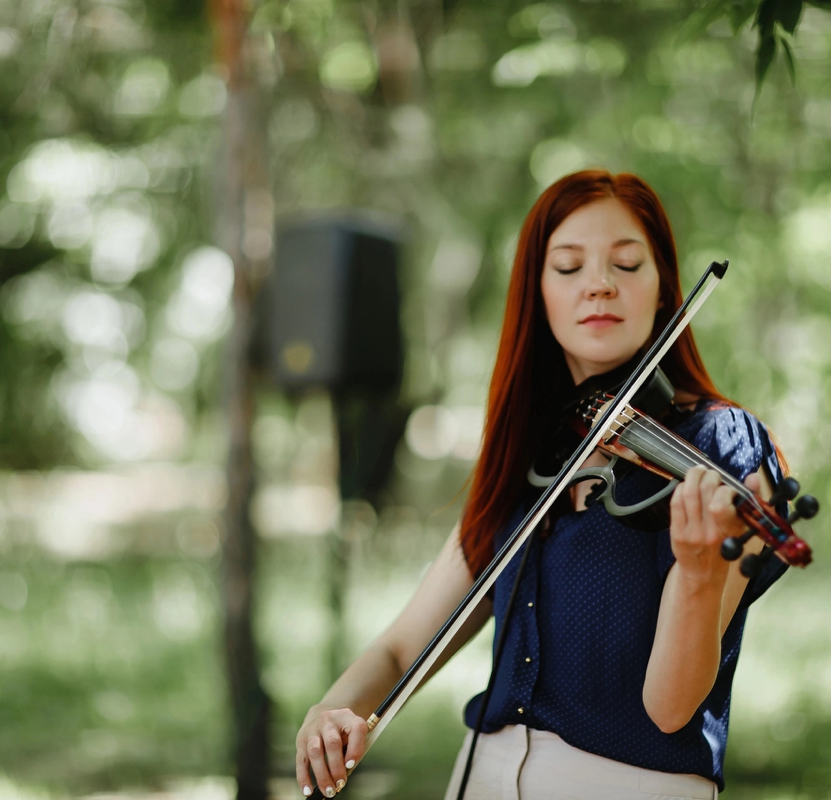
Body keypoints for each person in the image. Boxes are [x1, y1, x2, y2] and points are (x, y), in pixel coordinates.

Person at [295, 170, 789, 800]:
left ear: (666, 289)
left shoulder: (723, 450)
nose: (600, 285)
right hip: (481, 778)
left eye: (628, 264)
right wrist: (329, 712)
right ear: (538, 293)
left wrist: (698, 572)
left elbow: (669, 710)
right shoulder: (530, 454)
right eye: (568, 266)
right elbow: (400, 651)